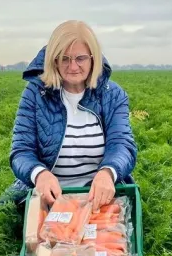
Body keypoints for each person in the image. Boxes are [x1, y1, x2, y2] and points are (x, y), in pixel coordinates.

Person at [9, 20, 137, 210]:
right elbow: (21, 151)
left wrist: (108, 173)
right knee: (39, 237)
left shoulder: (112, 94)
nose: (73, 66)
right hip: (49, 198)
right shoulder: (35, 94)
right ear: (54, 59)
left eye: (80, 58)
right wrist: (39, 175)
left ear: (93, 58)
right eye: (65, 58)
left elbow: (122, 145)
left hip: (99, 199)